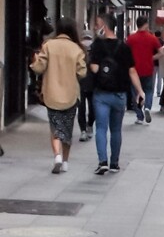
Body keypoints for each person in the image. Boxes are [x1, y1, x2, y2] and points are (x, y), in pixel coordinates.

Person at [89, 11, 145, 175]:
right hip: (120, 94)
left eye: (98, 25)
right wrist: (140, 91)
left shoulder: (97, 46)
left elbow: (94, 68)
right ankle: (114, 163)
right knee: (115, 130)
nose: (95, 27)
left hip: (101, 94)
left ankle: (102, 161)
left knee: (100, 128)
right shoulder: (124, 47)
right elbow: (132, 71)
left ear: (104, 27)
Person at [29, 18, 87, 174]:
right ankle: (66, 161)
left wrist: (33, 60)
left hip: (51, 94)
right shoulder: (77, 49)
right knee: (67, 128)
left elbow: (38, 68)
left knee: (55, 127)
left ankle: (57, 157)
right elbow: (82, 72)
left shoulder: (48, 46)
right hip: (70, 95)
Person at [126, 15, 161, 124]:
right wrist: (152, 58)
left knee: (135, 93)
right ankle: (147, 107)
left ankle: (139, 116)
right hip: (148, 69)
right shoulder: (152, 38)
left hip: (134, 71)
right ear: (146, 24)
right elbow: (162, 52)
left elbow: (125, 53)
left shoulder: (131, 38)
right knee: (149, 90)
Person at [77, 29, 95, 142]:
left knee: (87, 108)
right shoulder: (79, 51)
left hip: (86, 83)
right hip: (86, 83)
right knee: (87, 108)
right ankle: (86, 128)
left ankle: (86, 127)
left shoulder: (94, 52)